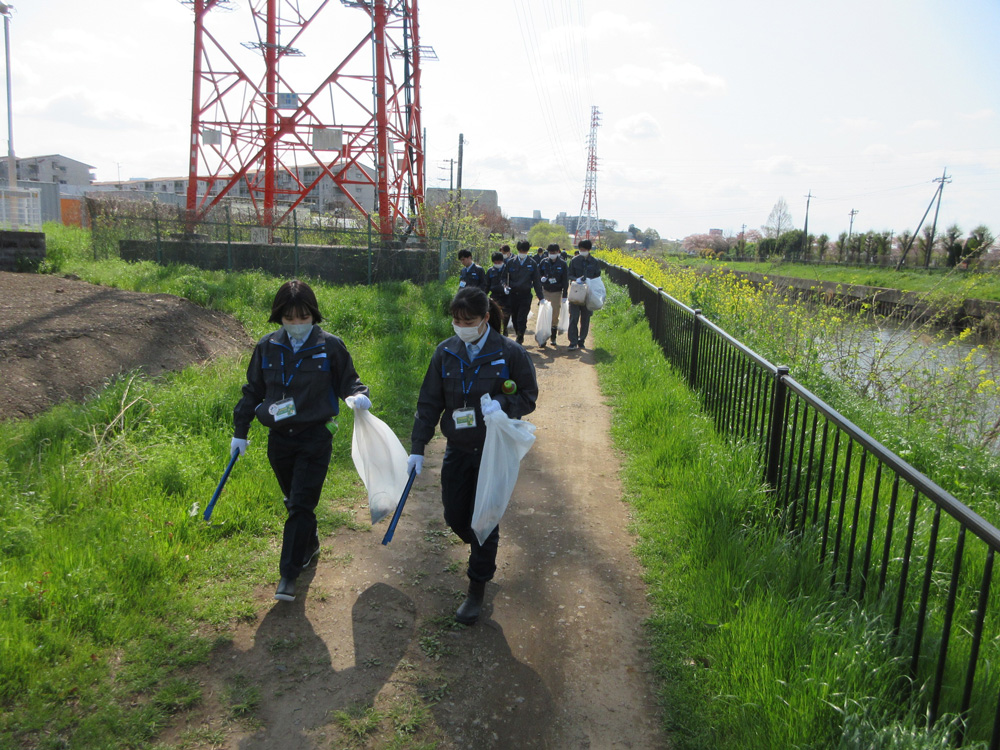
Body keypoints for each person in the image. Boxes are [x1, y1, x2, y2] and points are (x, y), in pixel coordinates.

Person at [231, 279, 371, 602]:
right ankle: (309, 541)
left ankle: (288, 575)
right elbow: (252, 391)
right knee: (293, 500)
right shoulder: (267, 347)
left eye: (303, 318)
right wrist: (241, 431)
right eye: (289, 319)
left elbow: (351, 382)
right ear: (279, 317)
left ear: (314, 316)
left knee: (300, 503)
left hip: (315, 437)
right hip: (279, 440)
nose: (297, 325)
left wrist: (359, 397)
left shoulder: (330, 347)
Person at [407, 287, 538, 624]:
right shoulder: (445, 353)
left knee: (484, 520)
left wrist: (504, 404)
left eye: (468, 320)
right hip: (458, 448)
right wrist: (417, 448)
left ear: (484, 319)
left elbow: (528, 396)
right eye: (456, 320)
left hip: (493, 451)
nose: (461, 326)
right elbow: (429, 403)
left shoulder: (510, 353)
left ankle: (476, 587)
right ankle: (481, 544)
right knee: (455, 516)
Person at [506, 240, 543, 345]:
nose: (523, 252)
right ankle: (518, 332)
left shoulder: (532, 264)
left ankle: (520, 336)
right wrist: (505, 286)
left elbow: (536, 281)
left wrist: (541, 297)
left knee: (522, 318)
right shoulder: (510, 262)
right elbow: (504, 277)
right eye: (521, 250)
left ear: (527, 251)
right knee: (514, 318)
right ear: (518, 250)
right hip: (513, 295)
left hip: (525, 295)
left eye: (525, 250)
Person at [567, 239, 601, 351]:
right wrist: (575, 279)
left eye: (584, 249)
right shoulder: (574, 260)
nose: (582, 251)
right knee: (573, 317)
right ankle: (573, 341)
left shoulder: (594, 262)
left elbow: (597, 277)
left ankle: (582, 340)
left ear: (589, 250)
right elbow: (569, 274)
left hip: (588, 294)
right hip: (576, 292)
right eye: (581, 249)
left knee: (585, 319)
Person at [537, 242, 568, 348]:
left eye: (554, 252)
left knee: (554, 314)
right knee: (544, 314)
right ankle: (543, 337)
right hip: (546, 290)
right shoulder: (544, 262)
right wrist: (542, 278)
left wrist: (565, 295)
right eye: (550, 252)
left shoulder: (562, 264)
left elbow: (565, 280)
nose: (552, 254)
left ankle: (553, 337)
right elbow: (538, 273)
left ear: (558, 252)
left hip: (556, 291)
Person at [485, 250, 512, 336]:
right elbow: (487, 285)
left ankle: (505, 329)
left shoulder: (507, 270)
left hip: (505, 296)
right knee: (494, 313)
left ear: (502, 261)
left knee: (506, 314)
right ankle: (496, 330)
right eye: (495, 262)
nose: (497, 263)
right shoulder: (490, 271)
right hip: (494, 295)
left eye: (499, 261)